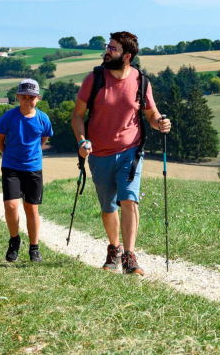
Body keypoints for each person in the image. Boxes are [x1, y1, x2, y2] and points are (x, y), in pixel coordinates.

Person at [71, 31, 171, 275]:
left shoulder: (141, 80)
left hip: (130, 151)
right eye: (108, 46)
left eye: (113, 48)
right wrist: (82, 141)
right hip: (99, 153)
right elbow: (77, 116)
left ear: (127, 56)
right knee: (109, 207)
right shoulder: (93, 79)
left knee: (129, 199)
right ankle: (114, 249)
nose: (107, 51)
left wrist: (161, 123)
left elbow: (151, 114)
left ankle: (129, 256)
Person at [0, 79, 53, 263]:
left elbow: (43, 139)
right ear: (18, 97)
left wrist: (32, 155)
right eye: (24, 97)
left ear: (38, 98)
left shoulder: (43, 119)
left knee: (31, 208)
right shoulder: (8, 117)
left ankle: (34, 248)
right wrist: (8, 155)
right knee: (11, 206)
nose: (28, 100)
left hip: (33, 168)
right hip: (11, 167)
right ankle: (14, 240)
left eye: (32, 97)